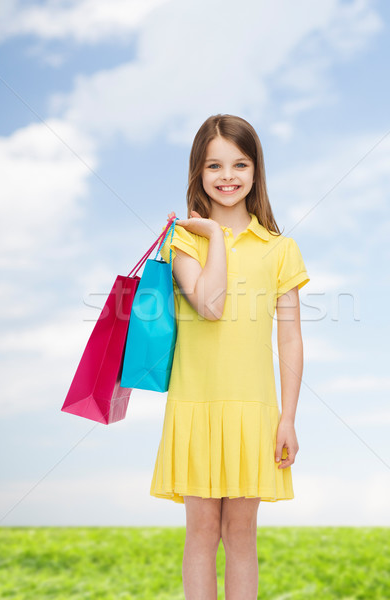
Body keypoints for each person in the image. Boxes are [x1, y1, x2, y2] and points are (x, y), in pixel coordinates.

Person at [152, 114, 310, 599]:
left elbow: (290, 338)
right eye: (214, 165)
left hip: (252, 407)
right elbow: (210, 305)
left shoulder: (280, 248)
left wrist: (288, 416)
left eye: (240, 164)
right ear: (198, 173)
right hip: (196, 402)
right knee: (201, 530)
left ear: (256, 171)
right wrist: (215, 237)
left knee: (241, 533)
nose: (227, 176)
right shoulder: (181, 239)